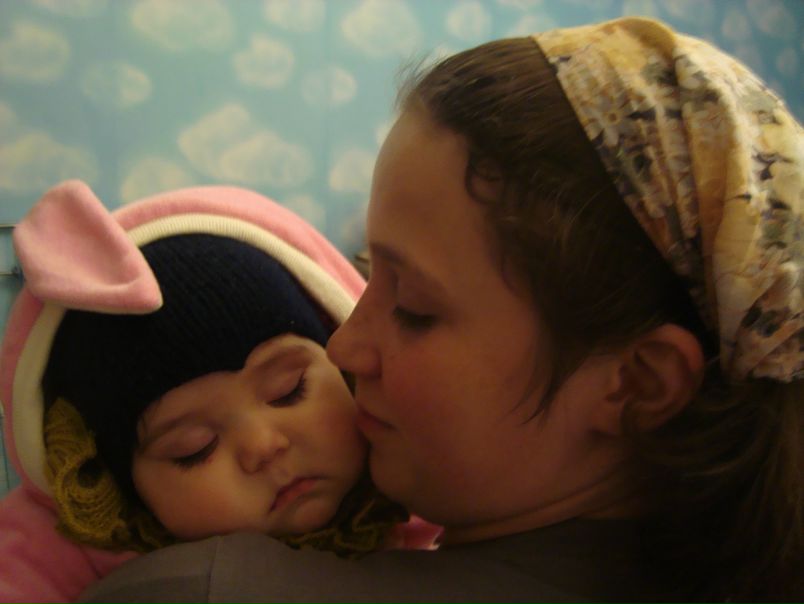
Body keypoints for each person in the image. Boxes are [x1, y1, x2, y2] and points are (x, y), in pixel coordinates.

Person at [80, 16, 802, 604]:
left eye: (415, 308)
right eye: (369, 275)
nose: (345, 347)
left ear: (638, 383)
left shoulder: (204, 592)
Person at [0, 180, 428, 604]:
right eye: (195, 448)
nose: (263, 446)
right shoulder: (63, 551)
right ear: (116, 488)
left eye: (288, 391)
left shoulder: (411, 474)